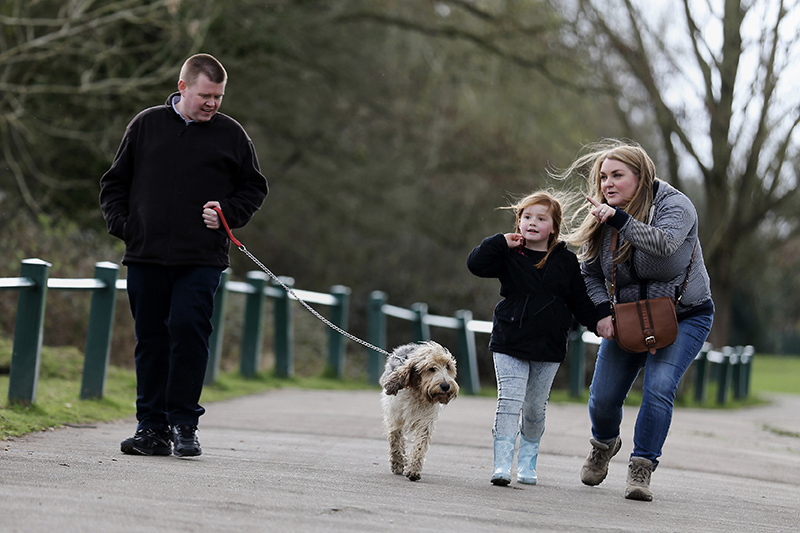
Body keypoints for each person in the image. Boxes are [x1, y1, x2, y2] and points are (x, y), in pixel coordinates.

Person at [99, 53, 268, 458]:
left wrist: (227, 213)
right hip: (146, 255)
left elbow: (254, 188)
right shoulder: (146, 125)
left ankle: (184, 424)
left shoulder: (231, 135)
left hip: (201, 258)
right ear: (183, 88)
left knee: (190, 330)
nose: (213, 103)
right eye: (206, 95)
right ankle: (151, 429)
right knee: (152, 340)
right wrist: (127, 226)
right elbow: (113, 184)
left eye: (219, 97)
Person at [561, 139, 714, 501]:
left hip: (684, 316)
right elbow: (589, 274)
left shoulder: (675, 206)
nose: (607, 184)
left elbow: (662, 245)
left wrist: (620, 219)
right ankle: (603, 444)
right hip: (627, 317)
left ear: (641, 177)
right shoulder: (603, 216)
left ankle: (641, 466)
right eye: (602, 177)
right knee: (602, 398)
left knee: (659, 387)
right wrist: (601, 312)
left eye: (617, 175)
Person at [467, 190, 598, 486]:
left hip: (548, 344)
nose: (532, 223)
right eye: (526, 217)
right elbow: (475, 264)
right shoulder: (508, 254)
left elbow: (581, 301)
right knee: (509, 401)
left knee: (534, 408)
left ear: (553, 226)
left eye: (541, 218)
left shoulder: (565, 261)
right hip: (509, 339)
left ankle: (527, 463)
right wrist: (500, 241)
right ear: (518, 222)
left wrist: (600, 323)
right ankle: (501, 465)